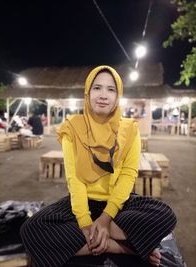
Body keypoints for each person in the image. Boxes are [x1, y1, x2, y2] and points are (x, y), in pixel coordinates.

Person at [20, 66, 177, 267]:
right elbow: (74, 179)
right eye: (97, 88)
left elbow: (128, 176)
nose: (103, 95)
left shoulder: (130, 130)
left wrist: (105, 220)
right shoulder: (72, 128)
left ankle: (100, 239)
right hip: (82, 202)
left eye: (111, 89)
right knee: (32, 229)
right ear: (88, 92)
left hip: (118, 204)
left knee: (165, 214)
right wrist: (85, 223)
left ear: (118, 95)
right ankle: (120, 247)